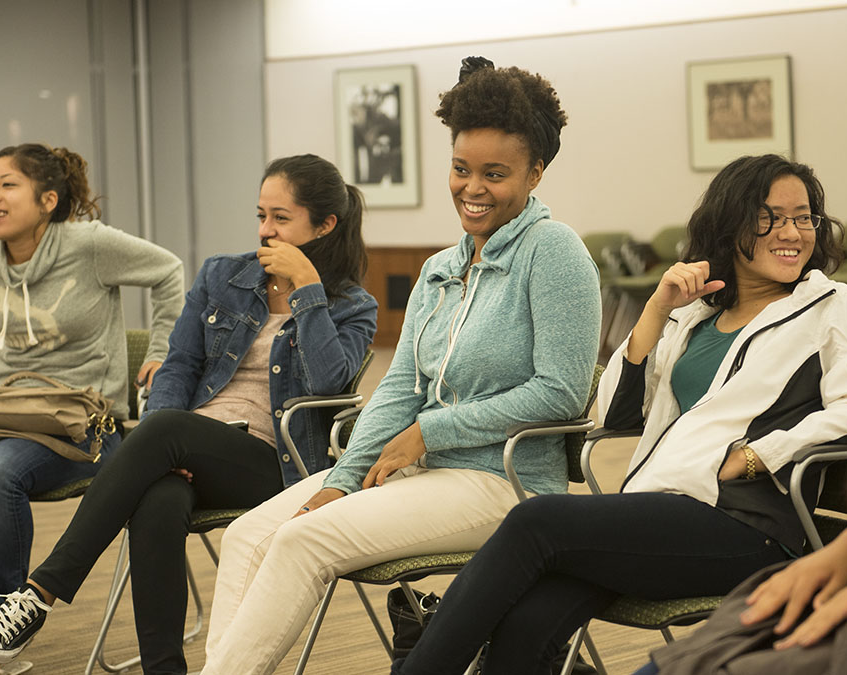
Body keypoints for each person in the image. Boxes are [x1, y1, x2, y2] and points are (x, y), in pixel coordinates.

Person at [391, 154, 847, 675]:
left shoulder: (833, 305)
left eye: (803, 216)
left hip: (746, 524)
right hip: (660, 513)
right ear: (730, 225)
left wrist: (758, 455)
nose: (789, 232)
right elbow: (610, 413)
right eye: (768, 217)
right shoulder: (696, 315)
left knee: (535, 522)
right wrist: (658, 308)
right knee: (531, 621)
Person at [190, 57, 601, 675]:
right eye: (461, 169)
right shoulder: (440, 268)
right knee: (251, 533)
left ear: (535, 172)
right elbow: (400, 391)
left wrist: (431, 432)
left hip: (505, 483)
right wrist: (343, 477)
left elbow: (562, 393)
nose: (472, 188)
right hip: (417, 470)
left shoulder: (556, 253)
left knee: (303, 541)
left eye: (495, 173)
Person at [0, 154, 378, 675]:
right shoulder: (224, 276)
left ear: (324, 225)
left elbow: (328, 385)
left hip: (278, 464)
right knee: (157, 499)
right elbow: (179, 366)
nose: (265, 231)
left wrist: (308, 293)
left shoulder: (350, 305)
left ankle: (38, 594)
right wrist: (166, 445)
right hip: (187, 444)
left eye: (281, 218)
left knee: (165, 431)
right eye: (260, 215)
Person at [0, 143, 184, 675]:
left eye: (7, 185)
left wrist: (160, 353)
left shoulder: (88, 245)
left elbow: (170, 271)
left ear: (47, 200)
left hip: (88, 421)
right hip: (9, 408)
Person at [631, 375, 847, 675]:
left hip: (744, 522)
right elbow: (623, 411)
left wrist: (758, 454)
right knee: (684, 660)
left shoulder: (831, 331)